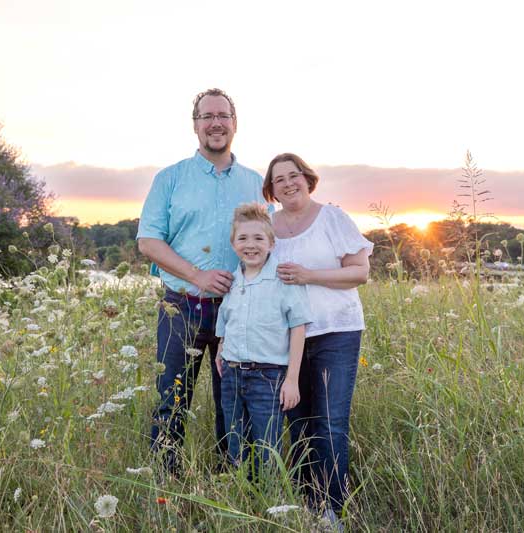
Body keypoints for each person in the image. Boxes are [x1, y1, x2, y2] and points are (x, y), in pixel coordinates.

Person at [136, 88, 268, 476]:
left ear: (234, 124)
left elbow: (271, 243)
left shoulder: (256, 183)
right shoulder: (171, 179)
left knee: (234, 401)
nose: (216, 123)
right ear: (195, 125)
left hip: (239, 310)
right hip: (181, 305)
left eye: (223, 116)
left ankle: (231, 483)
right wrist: (198, 276)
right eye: (207, 116)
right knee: (172, 400)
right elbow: (148, 241)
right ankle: (166, 485)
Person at [263, 153, 373, 521]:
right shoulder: (267, 226)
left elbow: (360, 272)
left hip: (336, 332)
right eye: (279, 180)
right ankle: (308, 505)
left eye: (294, 175)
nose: (288, 183)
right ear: (272, 189)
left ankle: (333, 511)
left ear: (307, 179)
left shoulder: (333, 218)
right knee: (296, 423)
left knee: (329, 422)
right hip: (287, 337)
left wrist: (309, 275)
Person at [214, 203, 311, 477]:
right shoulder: (233, 281)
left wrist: (292, 379)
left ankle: (269, 503)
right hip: (232, 375)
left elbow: (298, 328)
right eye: (243, 238)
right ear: (233, 244)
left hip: (268, 377)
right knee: (235, 442)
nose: (250, 245)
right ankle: (241, 503)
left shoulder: (283, 279)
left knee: (267, 447)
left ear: (271, 243)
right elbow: (226, 320)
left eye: (258, 238)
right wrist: (222, 347)